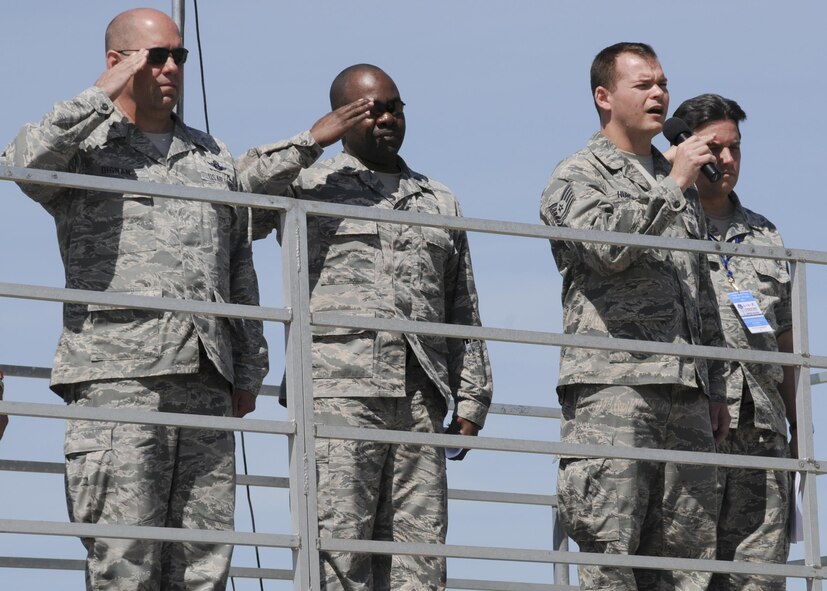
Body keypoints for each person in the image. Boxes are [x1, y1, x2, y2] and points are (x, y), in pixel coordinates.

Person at [3, 8, 267, 590]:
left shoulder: (211, 157)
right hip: (119, 376)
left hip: (206, 376)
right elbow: (22, 165)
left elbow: (238, 261)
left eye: (180, 56)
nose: (172, 67)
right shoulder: (84, 149)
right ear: (117, 61)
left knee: (202, 563)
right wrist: (105, 92)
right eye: (156, 56)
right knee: (123, 559)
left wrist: (248, 365)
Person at [237, 63, 493, 591]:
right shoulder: (308, 184)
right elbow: (240, 198)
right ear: (342, 115)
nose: (385, 118)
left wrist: (473, 398)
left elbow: (461, 304)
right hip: (337, 395)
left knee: (419, 563)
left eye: (394, 107)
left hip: (421, 399)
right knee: (337, 553)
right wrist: (312, 139)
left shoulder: (437, 199)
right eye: (369, 109)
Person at [539, 42, 729, 590]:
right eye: (643, 84)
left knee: (688, 564)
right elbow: (605, 250)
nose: (659, 94)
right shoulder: (577, 174)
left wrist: (714, 384)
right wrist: (672, 186)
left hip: (685, 392)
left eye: (663, 83)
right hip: (614, 391)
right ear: (604, 96)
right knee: (613, 555)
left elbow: (701, 291)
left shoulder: (679, 182)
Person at [671, 94, 795, 591]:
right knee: (688, 573)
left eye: (734, 149)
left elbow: (785, 338)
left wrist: (797, 430)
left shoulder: (765, 234)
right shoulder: (664, 219)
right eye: (713, 148)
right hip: (692, 426)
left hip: (763, 430)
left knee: (759, 578)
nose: (725, 161)